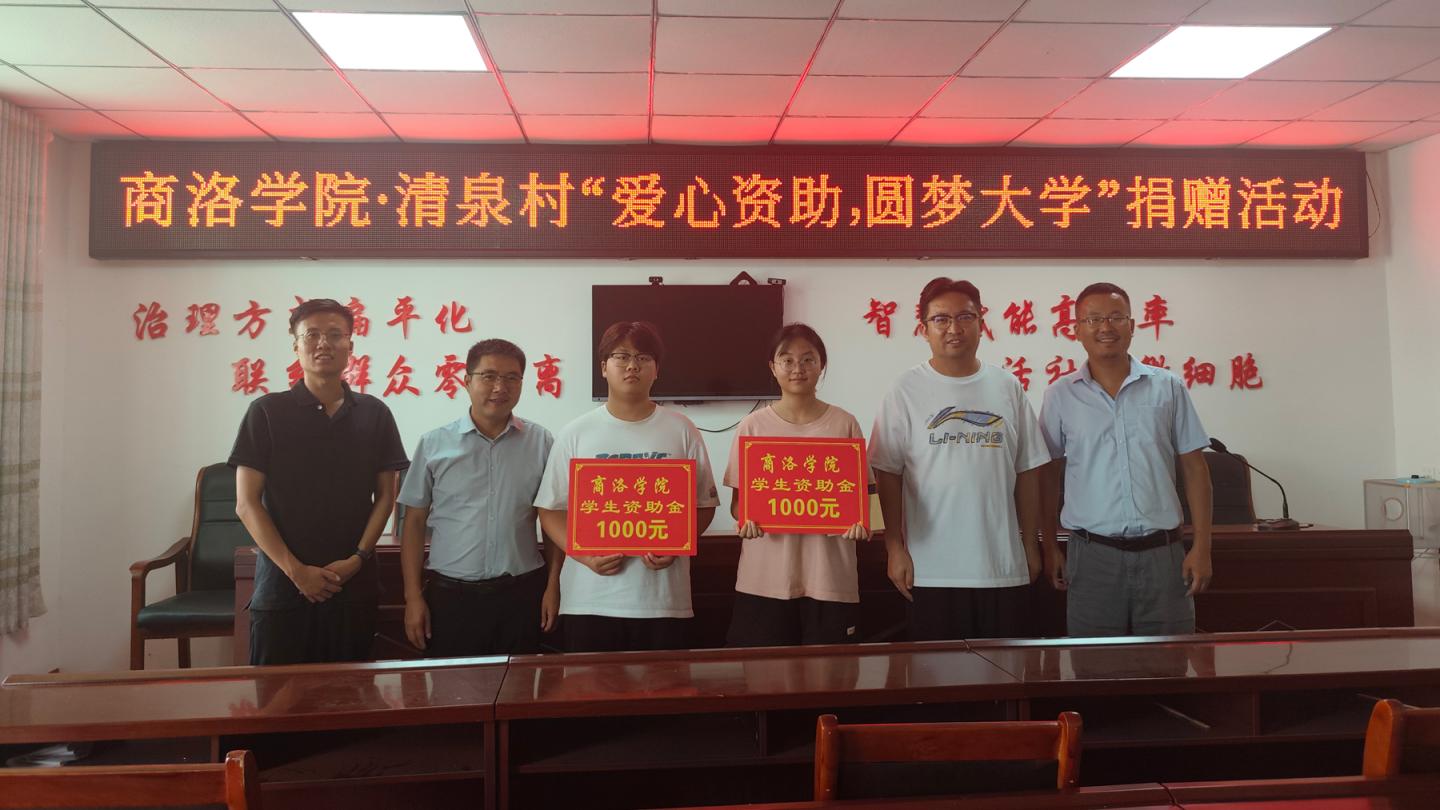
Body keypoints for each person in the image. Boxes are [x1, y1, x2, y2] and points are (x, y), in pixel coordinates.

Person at [868, 277, 1049, 641]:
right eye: (941, 319)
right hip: (931, 570)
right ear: (924, 328)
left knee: (1007, 671)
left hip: (1001, 566)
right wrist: (894, 547)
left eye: (965, 317)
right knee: (937, 674)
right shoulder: (905, 390)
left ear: (981, 322)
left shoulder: (1007, 386)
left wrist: (1031, 545)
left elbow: (1028, 470)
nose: (954, 328)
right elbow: (887, 472)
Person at [230, 298, 408, 665]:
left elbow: (385, 498)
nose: (323, 343)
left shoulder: (375, 413)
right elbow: (246, 504)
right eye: (311, 335)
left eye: (334, 335)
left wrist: (357, 559)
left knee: (352, 692)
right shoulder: (266, 412)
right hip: (282, 589)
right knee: (277, 697)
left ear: (350, 345)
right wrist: (297, 572)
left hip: (353, 588)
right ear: (295, 346)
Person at [1038, 282, 1213, 637]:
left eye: (1116, 317)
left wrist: (1202, 547)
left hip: (1164, 555)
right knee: (1094, 664)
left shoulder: (1168, 387)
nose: (1106, 327)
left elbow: (1195, 469)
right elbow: (1047, 476)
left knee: (1169, 661)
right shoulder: (1060, 396)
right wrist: (1049, 547)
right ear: (1076, 330)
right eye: (1094, 319)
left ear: (1132, 326)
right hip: (1092, 556)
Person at [534, 321, 719, 652]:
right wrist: (584, 556)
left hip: (663, 602)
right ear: (604, 367)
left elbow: (703, 506)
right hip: (589, 600)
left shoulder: (682, 429)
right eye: (621, 356)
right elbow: (550, 510)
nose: (632, 365)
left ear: (656, 370)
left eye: (643, 357)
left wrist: (677, 545)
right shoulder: (576, 432)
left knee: (664, 686)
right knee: (589, 687)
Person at [397, 338, 556, 657]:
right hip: (451, 598)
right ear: (467, 381)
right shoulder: (434, 444)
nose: (500, 387)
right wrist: (413, 597)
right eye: (489, 376)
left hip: (521, 594)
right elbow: (413, 523)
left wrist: (554, 587)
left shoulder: (541, 442)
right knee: (453, 685)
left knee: (520, 684)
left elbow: (553, 519)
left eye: (511, 378)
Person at [723, 324, 869, 647]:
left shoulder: (844, 423)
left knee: (831, 674)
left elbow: (866, 500)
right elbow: (738, 503)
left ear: (821, 365)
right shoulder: (752, 426)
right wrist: (745, 519)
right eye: (787, 360)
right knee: (763, 674)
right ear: (772, 367)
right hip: (764, 580)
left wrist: (862, 522)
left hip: (831, 579)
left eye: (808, 359)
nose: (797, 368)